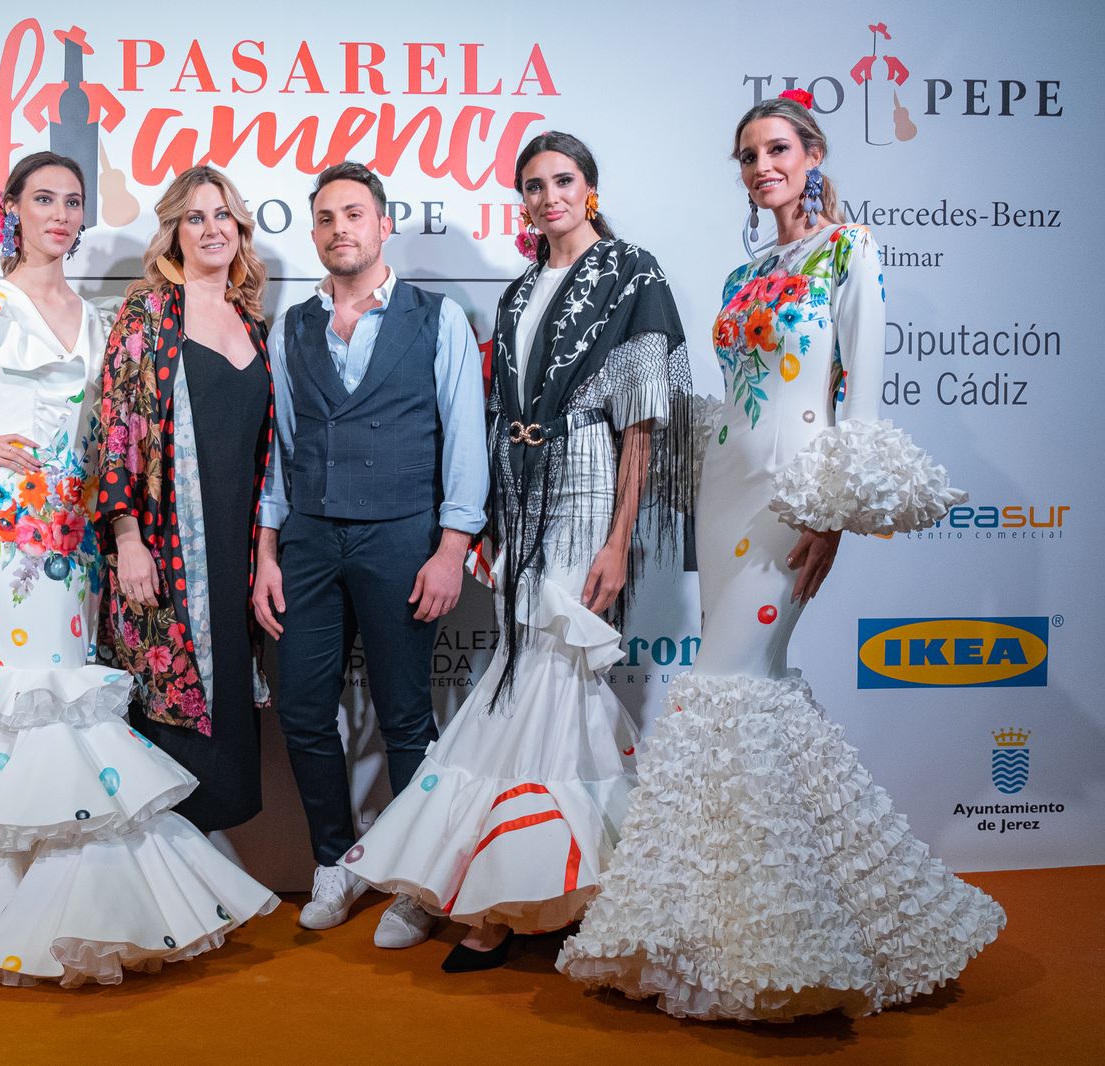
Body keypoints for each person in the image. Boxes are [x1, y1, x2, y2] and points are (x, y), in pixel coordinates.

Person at [559, 91, 1005, 1020]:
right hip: (724, 492)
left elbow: (863, 400)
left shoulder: (853, 251)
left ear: (811, 155)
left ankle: (776, 941)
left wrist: (833, 512)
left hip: (792, 497)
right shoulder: (740, 274)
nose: (763, 167)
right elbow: (734, 399)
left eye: (777, 150)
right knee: (747, 698)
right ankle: (748, 923)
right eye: (749, 156)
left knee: (730, 687)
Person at [0, 153, 277, 987]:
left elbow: (115, 428)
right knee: (29, 700)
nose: (59, 214)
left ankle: (63, 896)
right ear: (11, 207)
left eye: (72, 202)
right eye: (42, 199)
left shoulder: (94, 316)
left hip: (80, 529)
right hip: (11, 533)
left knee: (75, 702)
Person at [339, 133, 692, 970]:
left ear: (590, 188)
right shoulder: (523, 287)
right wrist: (495, 522)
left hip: (587, 480)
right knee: (538, 677)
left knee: (548, 671)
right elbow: (501, 414)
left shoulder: (632, 274)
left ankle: (494, 905)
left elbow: (641, 420)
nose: (547, 197)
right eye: (532, 186)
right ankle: (573, 878)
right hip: (521, 491)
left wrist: (620, 539)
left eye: (562, 181)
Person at [251, 162, 488, 946]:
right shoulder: (294, 325)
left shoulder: (437, 317)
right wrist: (269, 553)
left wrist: (453, 548)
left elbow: (465, 439)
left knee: (405, 716)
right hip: (311, 540)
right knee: (304, 710)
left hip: (402, 537)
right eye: (324, 218)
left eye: (354, 214)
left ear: (385, 225)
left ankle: (414, 880)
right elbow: (279, 450)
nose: (338, 229)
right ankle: (333, 860)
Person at [93, 164, 274, 835]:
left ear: (239, 227)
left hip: (236, 552)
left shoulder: (254, 324)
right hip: (164, 545)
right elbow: (116, 432)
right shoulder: (148, 312)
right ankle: (161, 887)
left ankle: (204, 889)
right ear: (174, 231)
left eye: (222, 214)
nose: (211, 228)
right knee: (168, 708)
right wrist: (127, 537)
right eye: (195, 217)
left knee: (225, 702)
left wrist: (265, 551)